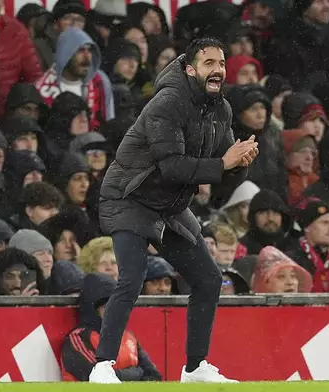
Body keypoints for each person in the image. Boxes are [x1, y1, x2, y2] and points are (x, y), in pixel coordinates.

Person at [90, 37, 258, 384]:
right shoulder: (166, 103)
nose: (218, 70)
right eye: (209, 63)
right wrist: (223, 162)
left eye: (221, 63)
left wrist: (240, 162)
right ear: (190, 69)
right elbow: (172, 167)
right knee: (132, 278)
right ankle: (102, 366)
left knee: (209, 279)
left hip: (170, 206)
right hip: (129, 197)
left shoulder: (221, 110)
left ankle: (195, 369)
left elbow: (222, 168)